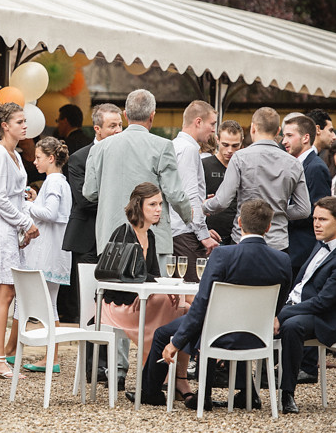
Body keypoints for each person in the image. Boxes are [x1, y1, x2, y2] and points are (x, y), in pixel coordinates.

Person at [145, 199, 293, 408]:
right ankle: (244, 392)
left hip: (217, 332)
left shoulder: (223, 254)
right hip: (257, 332)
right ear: (268, 227)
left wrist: (176, 342)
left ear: (239, 222)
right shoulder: (282, 260)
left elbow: (201, 303)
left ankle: (151, 393)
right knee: (211, 322)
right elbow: (279, 301)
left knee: (163, 333)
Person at [83, 89, 190, 272]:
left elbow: (89, 193)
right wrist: (190, 215)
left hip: (110, 237)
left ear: (125, 115)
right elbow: (174, 193)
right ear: (152, 115)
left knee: (115, 288)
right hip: (152, 236)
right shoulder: (162, 146)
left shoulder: (99, 149)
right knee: (154, 288)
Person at [276, 196, 336, 413]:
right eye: (314, 219)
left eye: (322, 219)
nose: (316, 224)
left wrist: (281, 315)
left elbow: (323, 303)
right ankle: (244, 390)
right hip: (297, 306)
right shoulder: (320, 244)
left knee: (291, 325)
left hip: (323, 318)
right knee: (249, 313)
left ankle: (287, 394)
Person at [0, 102, 39, 379]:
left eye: (25, 121)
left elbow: (12, 193)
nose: (25, 126)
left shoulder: (15, 154)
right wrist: (25, 222)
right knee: (5, 292)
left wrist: (25, 199)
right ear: (5, 126)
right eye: (19, 122)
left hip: (10, 226)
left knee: (7, 292)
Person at [99, 183, 187, 384]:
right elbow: (125, 277)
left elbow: (153, 274)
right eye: (152, 204)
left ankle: (175, 377)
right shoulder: (123, 233)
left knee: (186, 309)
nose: (158, 209)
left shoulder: (150, 236)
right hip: (118, 305)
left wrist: (167, 288)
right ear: (139, 206)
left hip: (141, 300)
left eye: (160, 204)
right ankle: (156, 375)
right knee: (171, 305)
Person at [204, 106, 310, 252]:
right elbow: (303, 210)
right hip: (277, 242)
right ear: (278, 131)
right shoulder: (294, 163)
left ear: (253, 128)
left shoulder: (240, 158)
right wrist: (275, 209)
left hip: (243, 238)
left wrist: (204, 206)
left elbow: (222, 201)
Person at [59, 103, 122, 328]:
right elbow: (84, 200)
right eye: (112, 126)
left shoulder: (126, 157)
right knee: (87, 302)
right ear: (97, 129)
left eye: (120, 125)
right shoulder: (79, 158)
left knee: (114, 300)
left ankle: (110, 347)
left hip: (117, 239)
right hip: (87, 238)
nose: (118, 130)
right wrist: (118, 203)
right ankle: (87, 349)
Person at [18, 136, 72, 372]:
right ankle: (51, 355)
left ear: (51, 158)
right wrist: (36, 200)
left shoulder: (54, 182)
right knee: (50, 305)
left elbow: (50, 213)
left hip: (49, 251)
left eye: (38, 157)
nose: (35, 161)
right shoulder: (60, 182)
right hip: (55, 250)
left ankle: (52, 356)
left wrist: (27, 206)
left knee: (49, 305)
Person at [170, 100, 219, 283]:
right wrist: (203, 235)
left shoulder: (175, 145)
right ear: (198, 122)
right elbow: (189, 196)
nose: (213, 129)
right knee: (192, 292)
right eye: (212, 124)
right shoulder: (188, 149)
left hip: (177, 231)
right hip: (185, 233)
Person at [283, 114, 332, 278]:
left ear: (305, 138)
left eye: (289, 135)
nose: (284, 141)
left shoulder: (316, 167)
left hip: (303, 250)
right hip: (292, 248)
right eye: (284, 136)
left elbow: (319, 212)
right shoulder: (297, 163)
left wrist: (282, 213)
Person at [202, 120, 243, 246]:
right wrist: (203, 231)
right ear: (217, 140)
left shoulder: (244, 167)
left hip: (238, 236)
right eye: (225, 144)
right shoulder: (204, 165)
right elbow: (193, 202)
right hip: (211, 237)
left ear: (241, 143)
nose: (230, 150)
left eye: (235, 146)